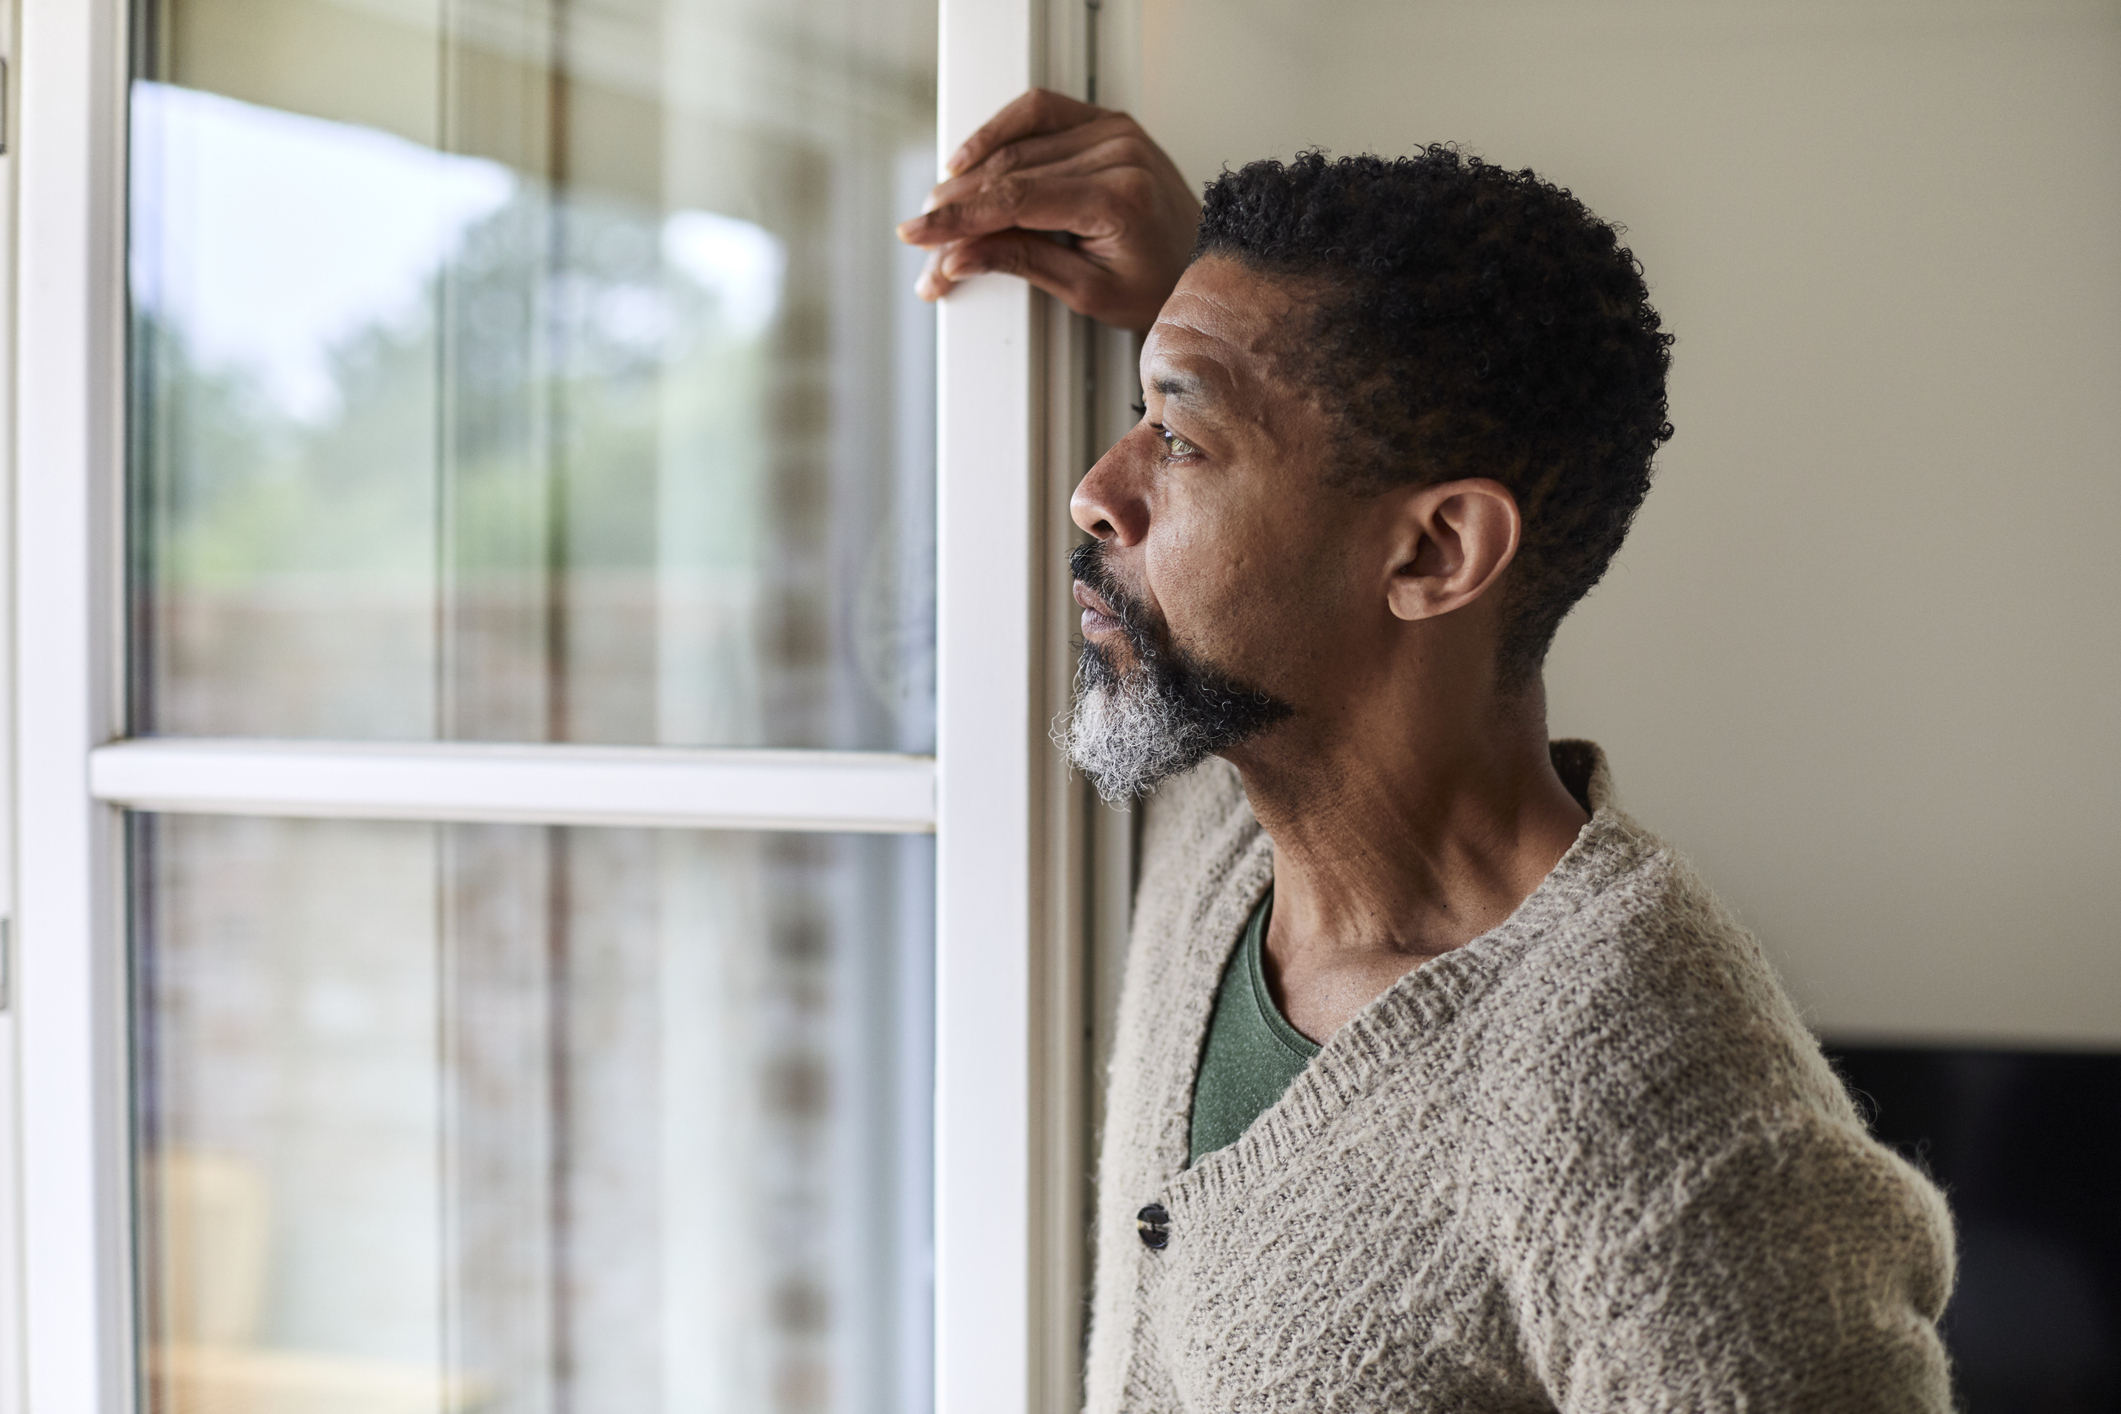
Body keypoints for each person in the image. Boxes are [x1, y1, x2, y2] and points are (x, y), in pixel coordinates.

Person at [898, 90, 1955, 1412]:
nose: (1094, 490)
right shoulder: (1235, 789)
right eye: (1138, 414)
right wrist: (1190, 306)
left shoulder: (1670, 1128)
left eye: (1174, 436)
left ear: (1432, 552)